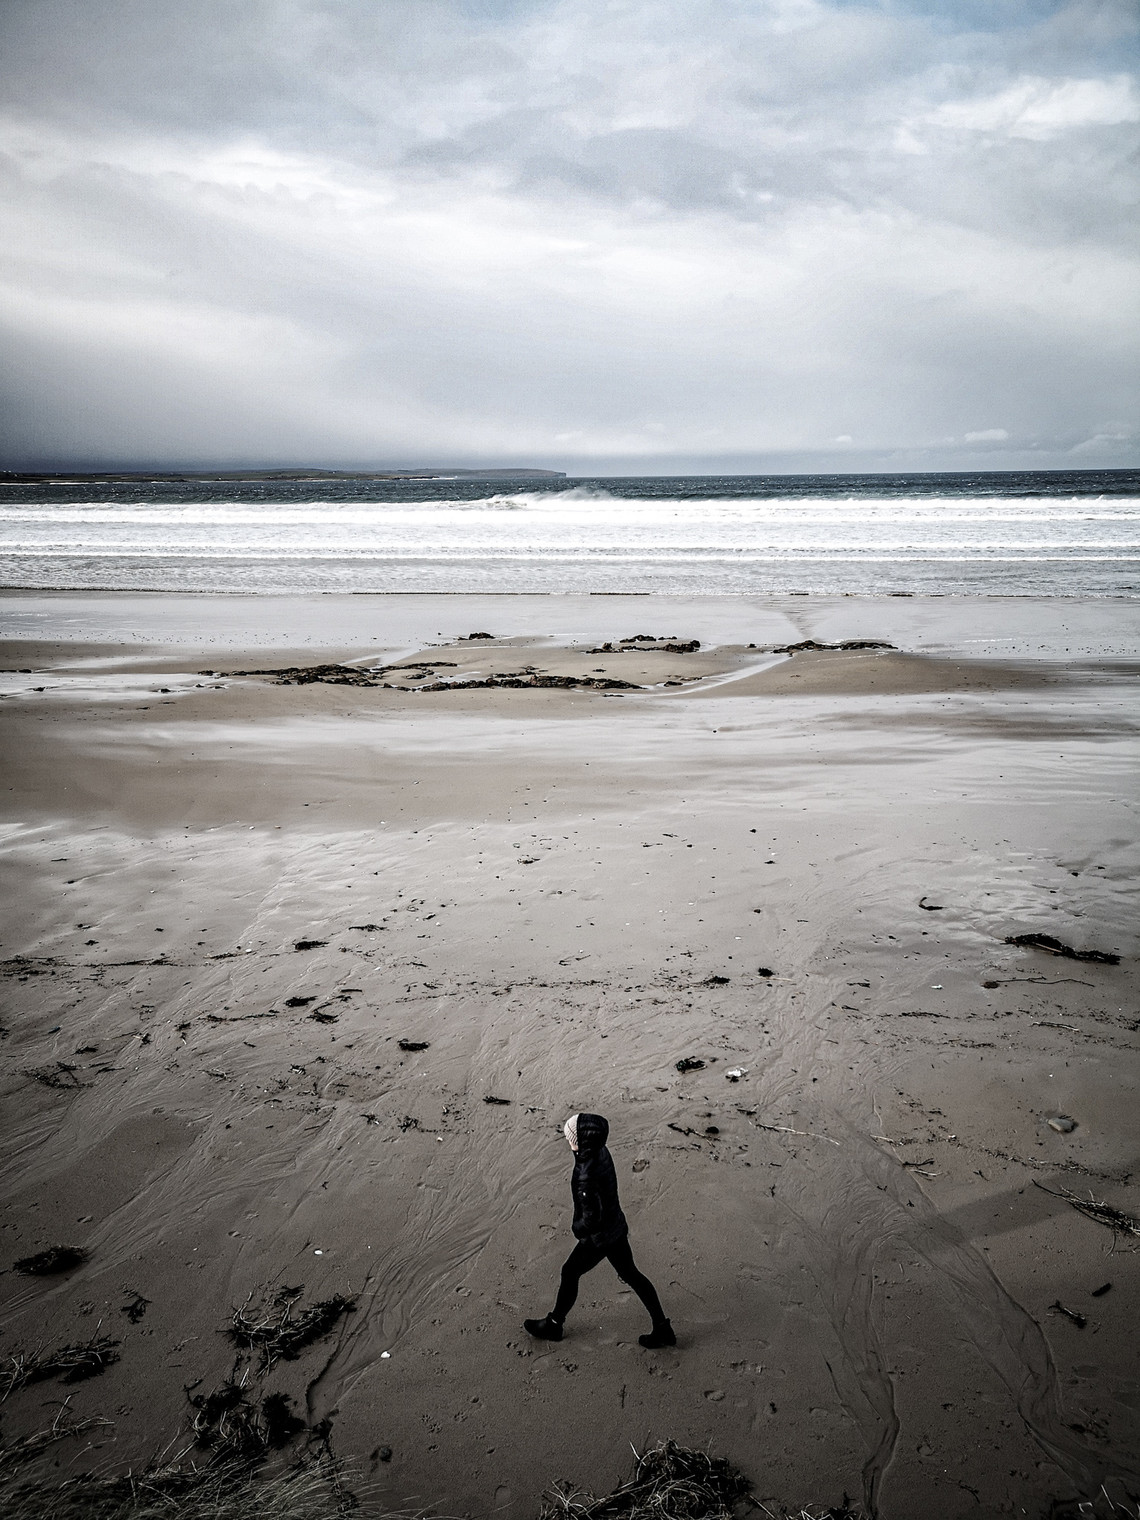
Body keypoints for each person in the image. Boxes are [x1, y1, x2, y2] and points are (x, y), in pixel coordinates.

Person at [524, 1112, 675, 1349]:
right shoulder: (601, 1152)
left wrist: (578, 1229)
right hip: (616, 1226)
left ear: (580, 1141)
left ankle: (554, 1324)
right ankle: (662, 1327)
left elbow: (591, 1219)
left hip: (601, 1237)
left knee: (570, 1272)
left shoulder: (585, 1174)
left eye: (570, 1136)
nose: (567, 1139)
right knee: (632, 1275)